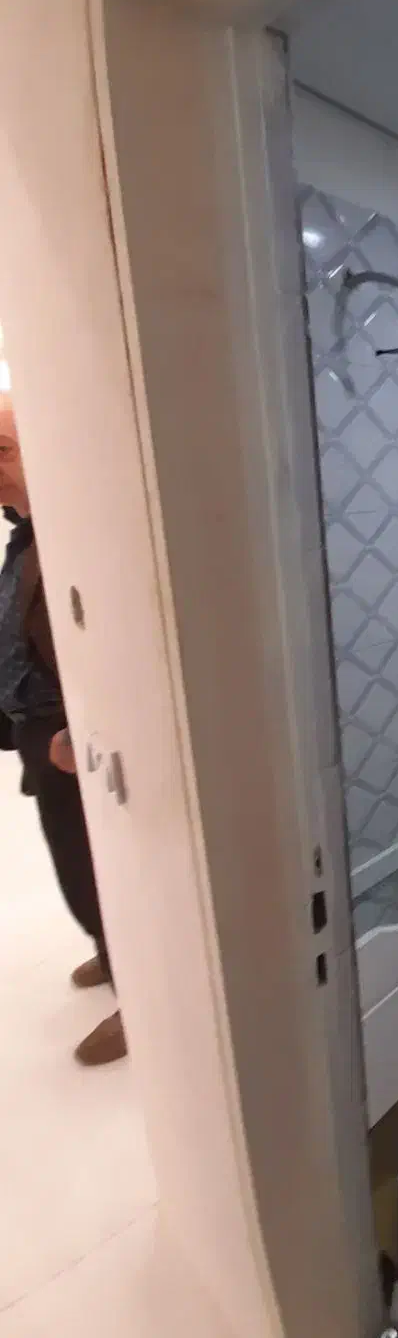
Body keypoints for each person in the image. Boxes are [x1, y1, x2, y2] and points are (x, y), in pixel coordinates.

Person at [0, 395, 125, 1066]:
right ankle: (114, 950)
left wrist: (80, 729)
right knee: (75, 860)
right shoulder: (28, 531)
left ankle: (145, 992)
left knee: (108, 867)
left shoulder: (80, 532)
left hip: (74, 738)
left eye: (2, 451)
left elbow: (111, 644)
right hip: (40, 731)